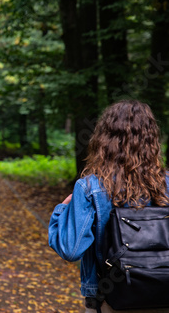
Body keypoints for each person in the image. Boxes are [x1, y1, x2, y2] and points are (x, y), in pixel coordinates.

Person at [48, 100, 169, 313]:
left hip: (110, 297)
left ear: (104, 139)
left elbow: (70, 249)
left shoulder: (90, 187)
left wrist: (60, 212)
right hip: (164, 291)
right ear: (152, 139)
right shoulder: (167, 184)